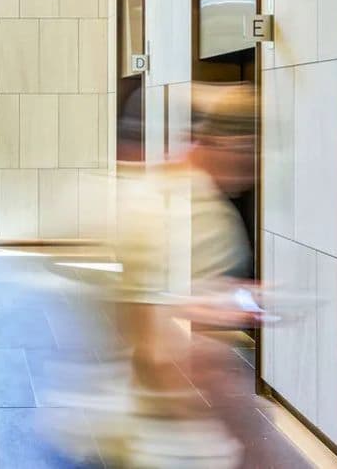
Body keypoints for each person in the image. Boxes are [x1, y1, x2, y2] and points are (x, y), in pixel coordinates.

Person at [101, 82, 265, 467]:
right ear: (224, 145)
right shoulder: (179, 210)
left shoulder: (198, 202)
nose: (254, 166)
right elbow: (156, 347)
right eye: (249, 150)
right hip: (162, 436)